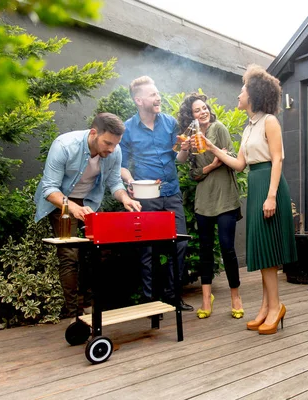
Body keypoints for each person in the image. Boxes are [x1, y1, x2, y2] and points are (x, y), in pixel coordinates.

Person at [193, 65, 297, 334]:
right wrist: (212, 146)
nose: (238, 95)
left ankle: (275, 307)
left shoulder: (269, 121)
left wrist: (272, 195)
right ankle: (266, 307)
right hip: (255, 182)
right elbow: (239, 164)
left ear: (253, 94)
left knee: (269, 249)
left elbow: (278, 159)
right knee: (262, 250)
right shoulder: (249, 127)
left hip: (268, 185)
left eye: (242, 90)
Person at [34, 112, 142, 318]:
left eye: (115, 144)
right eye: (107, 143)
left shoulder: (114, 151)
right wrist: (73, 208)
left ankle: (91, 308)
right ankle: (72, 314)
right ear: (93, 133)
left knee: (97, 252)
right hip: (62, 203)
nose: (111, 149)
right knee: (70, 256)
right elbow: (49, 188)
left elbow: (114, 183)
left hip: (90, 203)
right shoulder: (65, 145)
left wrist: (125, 198)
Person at [120, 76, 194, 311]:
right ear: (139, 100)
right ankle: (150, 301)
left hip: (171, 192)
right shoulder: (128, 128)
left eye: (158, 93)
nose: (158, 97)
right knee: (147, 249)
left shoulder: (170, 123)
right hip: (146, 195)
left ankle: (173, 296)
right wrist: (130, 181)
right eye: (152, 94)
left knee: (180, 244)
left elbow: (179, 160)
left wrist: (184, 150)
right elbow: (121, 165)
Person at [178, 93, 244, 319]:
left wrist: (218, 159)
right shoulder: (192, 139)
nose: (203, 112)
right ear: (191, 116)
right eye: (197, 110)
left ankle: (236, 296)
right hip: (204, 200)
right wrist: (212, 166)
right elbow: (194, 174)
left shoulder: (219, 129)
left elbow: (234, 159)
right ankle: (207, 299)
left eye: (204, 108)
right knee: (205, 250)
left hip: (225, 198)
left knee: (227, 248)